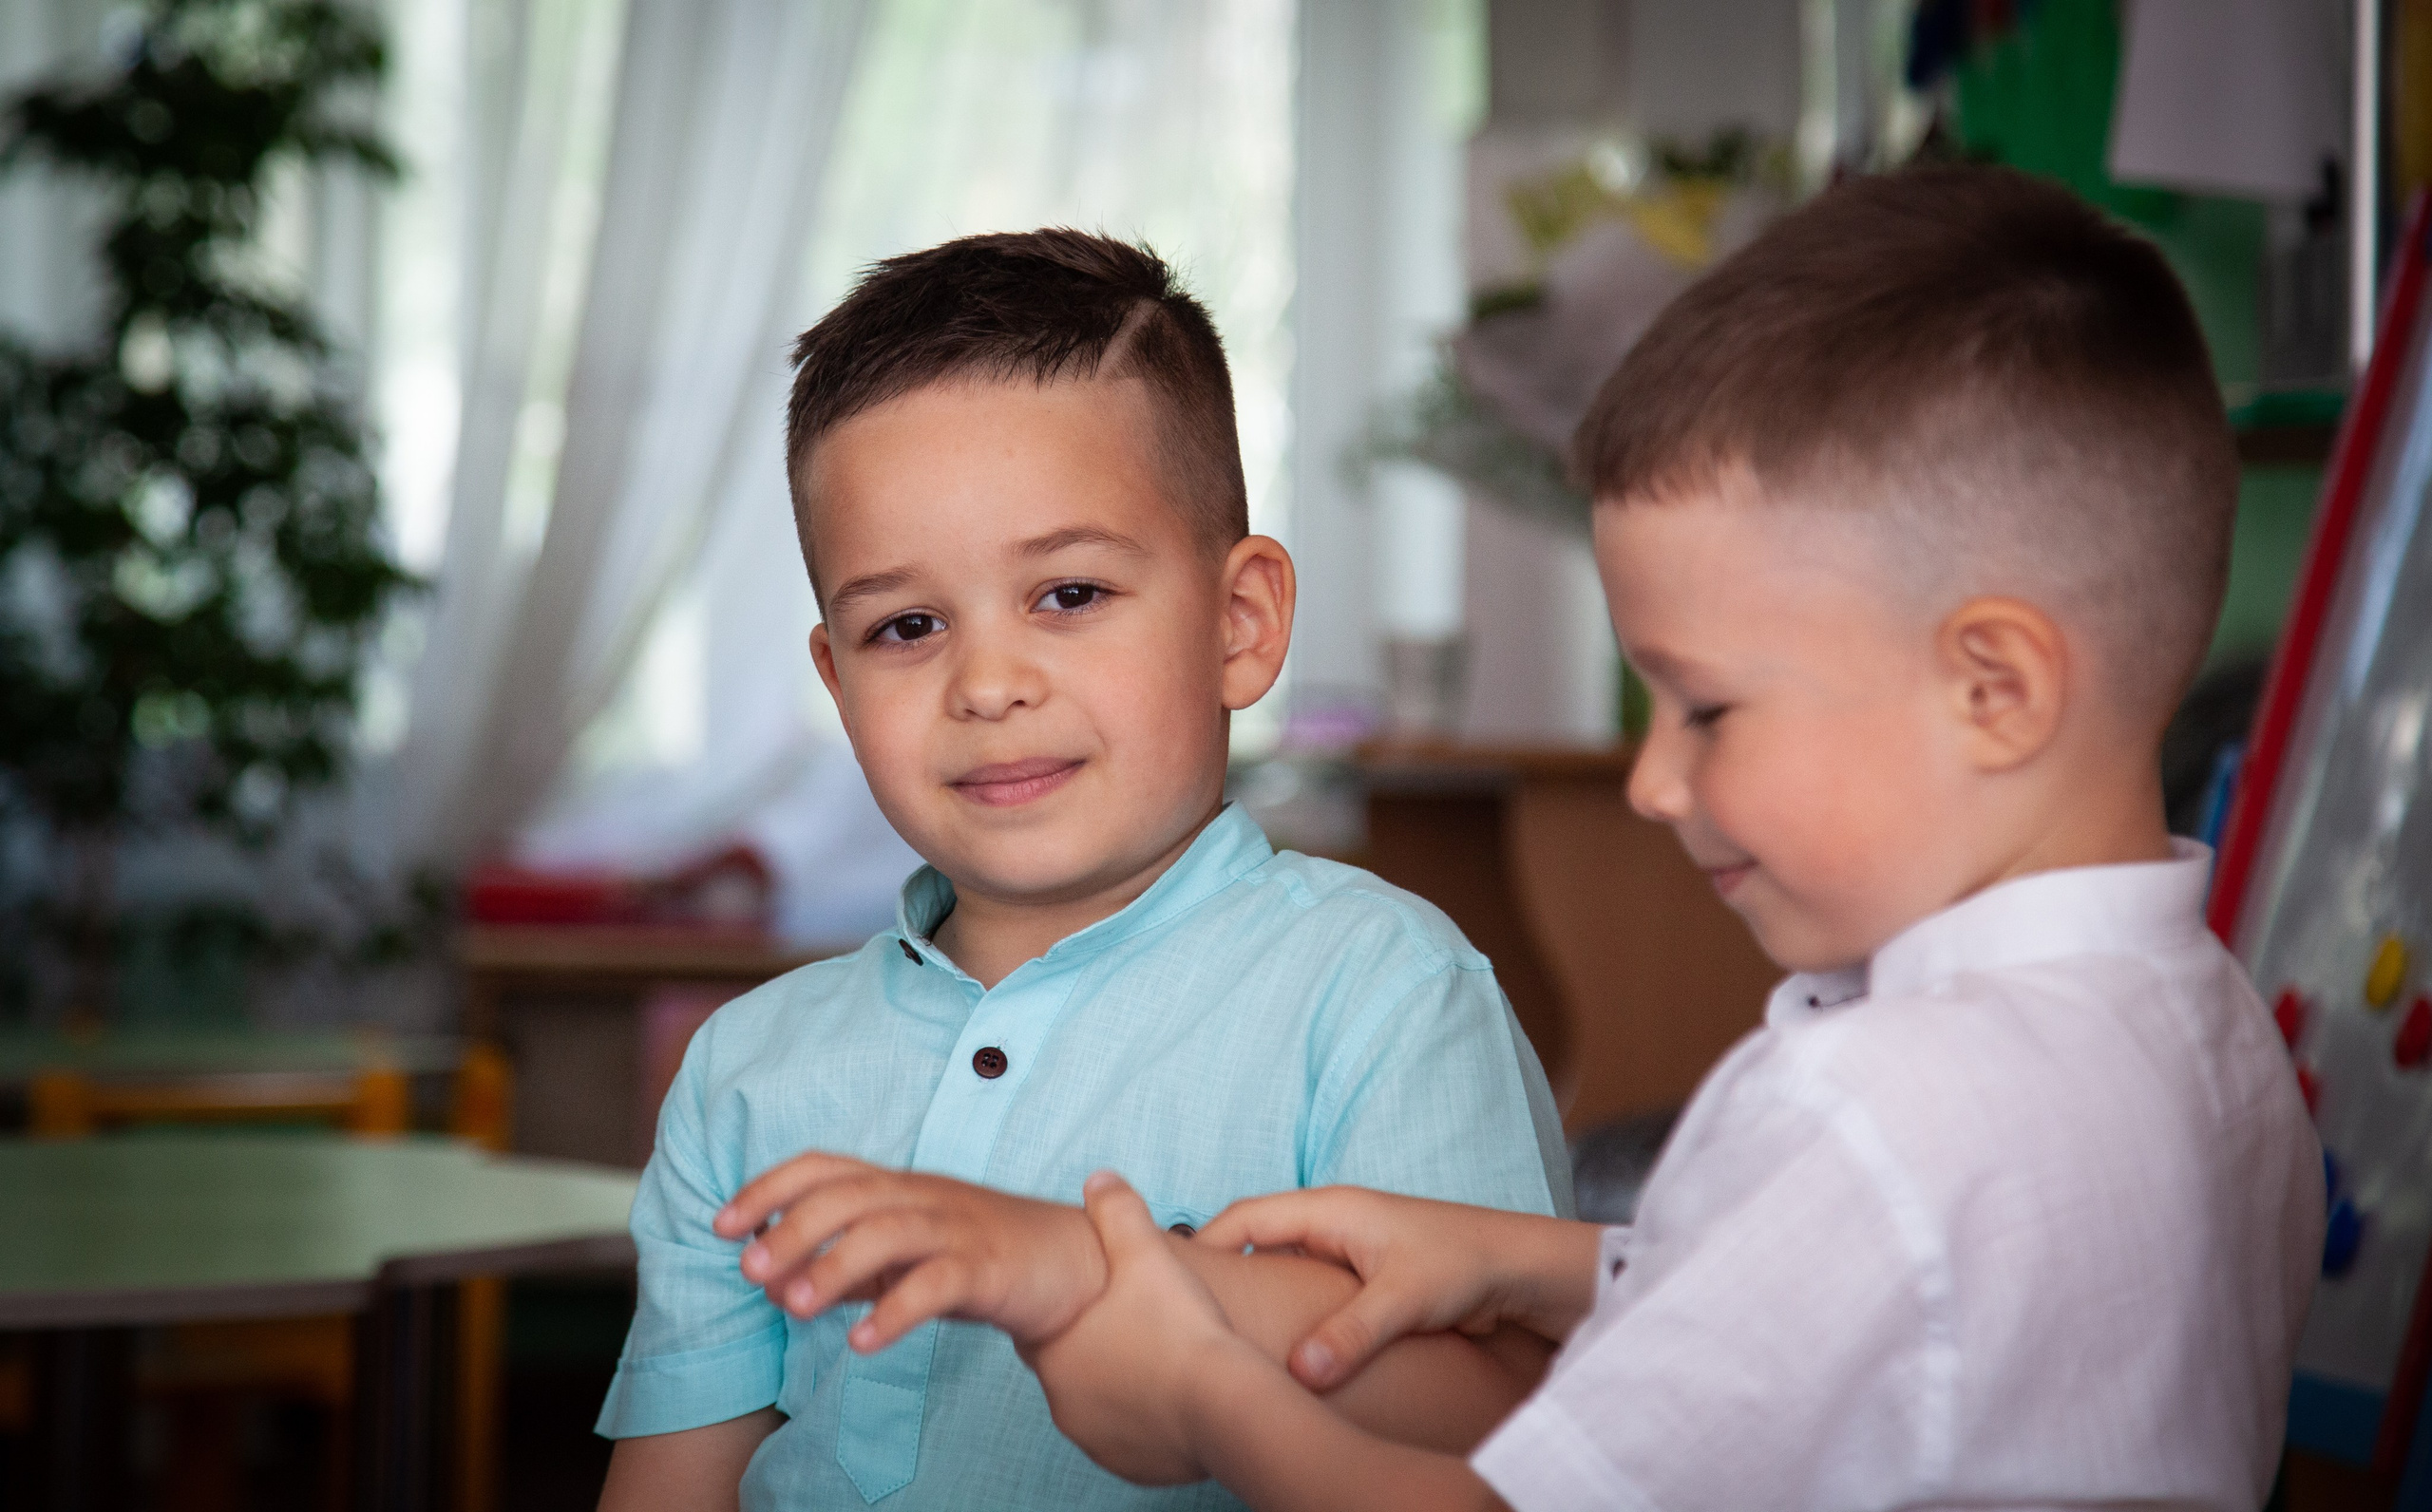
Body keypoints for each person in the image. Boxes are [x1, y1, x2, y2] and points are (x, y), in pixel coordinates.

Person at [961, 165, 2328, 1509]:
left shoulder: (1876, 1110)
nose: (1654, 781)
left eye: (1707, 707)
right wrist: (1532, 1260)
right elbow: (1891, 1322)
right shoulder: (2212, 1029)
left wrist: (1200, 1391)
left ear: (1995, 689)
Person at [592, 229, 1572, 1512]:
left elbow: (1514, 1426)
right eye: (907, 626)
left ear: (1241, 624)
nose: (988, 684)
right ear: (836, 680)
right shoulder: (747, 1069)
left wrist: (1092, 1274)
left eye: (1067, 594)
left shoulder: (1382, 991)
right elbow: (675, 1482)